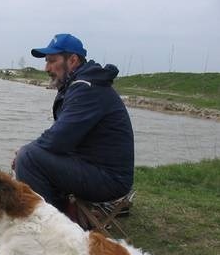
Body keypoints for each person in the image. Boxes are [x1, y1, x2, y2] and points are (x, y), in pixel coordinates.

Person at [13, 33, 134, 212]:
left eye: (52, 60)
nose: (46, 67)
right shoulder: (80, 85)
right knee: (33, 154)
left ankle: (51, 227)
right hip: (96, 168)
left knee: (28, 157)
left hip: (110, 179)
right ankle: (61, 216)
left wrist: (27, 152)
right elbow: (63, 138)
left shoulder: (86, 88)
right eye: (46, 61)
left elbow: (57, 139)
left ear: (73, 60)